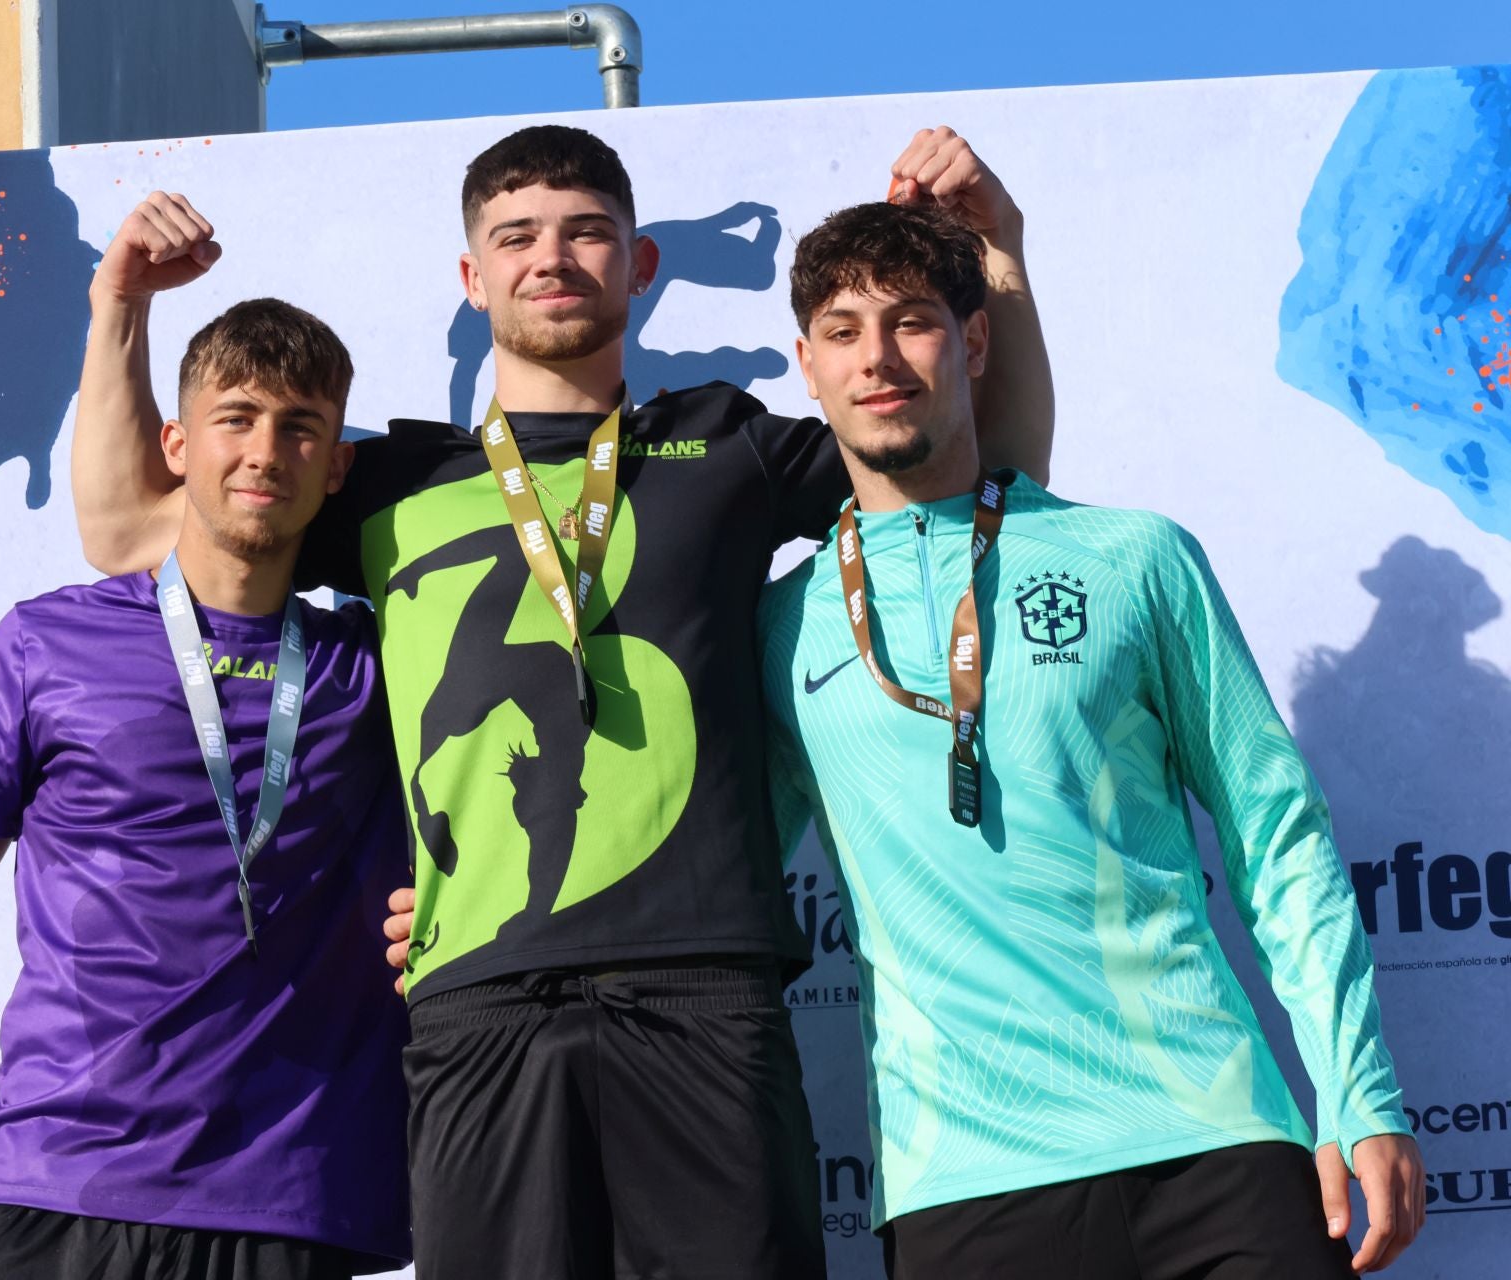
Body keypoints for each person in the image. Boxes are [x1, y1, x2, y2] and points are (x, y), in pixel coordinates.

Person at [72, 125, 1053, 1278]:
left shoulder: (726, 439)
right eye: (517, 236)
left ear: (638, 266)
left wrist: (1002, 248)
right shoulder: (392, 478)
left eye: (587, 232)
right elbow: (127, 527)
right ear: (471, 276)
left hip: (706, 988)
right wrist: (119, 303)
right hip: (475, 999)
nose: (553, 257)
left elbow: (985, 468)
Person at [757, 199, 1423, 1279]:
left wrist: (1360, 1094)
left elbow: (1277, 832)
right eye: (843, 330)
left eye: (913, 321)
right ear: (808, 362)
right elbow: (699, 871)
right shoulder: (780, 631)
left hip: (1212, 1146)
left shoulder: (1135, 559)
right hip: (960, 1183)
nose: (877, 357)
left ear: (974, 339)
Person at [0, 299, 412, 1280]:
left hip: (287, 1197)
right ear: (176, 441)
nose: (266, 450)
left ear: (336, 464)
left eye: (302, 426)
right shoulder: (46, 644)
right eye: (237, 417)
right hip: (58, 1185)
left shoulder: (378, 663)